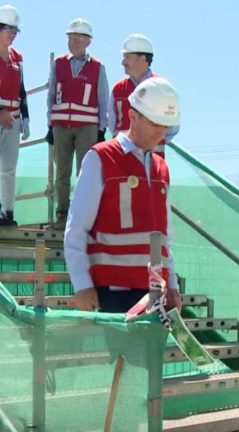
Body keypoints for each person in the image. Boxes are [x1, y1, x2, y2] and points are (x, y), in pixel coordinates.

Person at [64, 77, 181, 313]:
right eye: (154, 124)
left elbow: (165, 235)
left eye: (165, 127)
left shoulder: (162, 168)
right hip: (113, 292)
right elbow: (76, 228)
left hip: (154, 290)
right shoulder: (100, 158)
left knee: (150, 352)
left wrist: (173, 285)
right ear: (132, 116)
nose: (160, 134)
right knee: (120, 353)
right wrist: (82, 284)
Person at [47, 18, 109, 230]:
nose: (72, 42)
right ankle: (61, 216)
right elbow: (51, 94)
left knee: (85, 173)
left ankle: (83, 218)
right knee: (61, 173)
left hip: (87, 128)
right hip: (61, 126)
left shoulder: (98, 67)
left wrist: (101, 130)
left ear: (87, 42)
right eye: (70, 38)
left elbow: (103, 100)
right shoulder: (59, 64)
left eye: (77, 38)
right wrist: (49, 125)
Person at [109, 34, 178, 158]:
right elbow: (112, 125)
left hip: (153, 162)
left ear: (142, 58)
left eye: (127, 57)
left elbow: (173, 126)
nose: (123, 62)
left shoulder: (162, 89)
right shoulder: (117, 89)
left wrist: (154, 139)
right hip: (121, 160)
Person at [0, 5, 29, 228]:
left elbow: (21, 89)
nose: (13, 34)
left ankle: (7, 212)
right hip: (1, 115)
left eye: (15, 30)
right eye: (9, 28)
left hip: (14, 119)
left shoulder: (18, 57)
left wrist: (25, 118)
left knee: (9, 168)